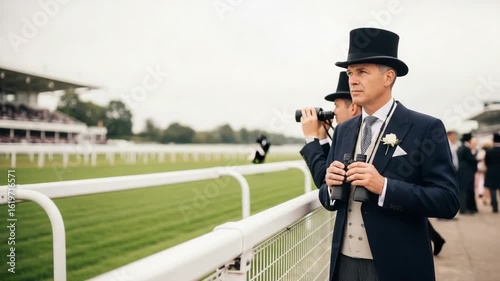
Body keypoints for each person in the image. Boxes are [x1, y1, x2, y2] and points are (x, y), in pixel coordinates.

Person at [318, 27, 459, 281]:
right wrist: (329, 185)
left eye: (362, 71)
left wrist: (384, 187)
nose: (352, 80)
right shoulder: (343, 131)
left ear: (388, 77)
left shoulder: (426, 128)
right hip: (344, 265)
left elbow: (447, 201)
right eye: (350, 72)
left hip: (398, 266)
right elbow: (328, 197)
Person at [299, 71, 361, 188]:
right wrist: (322, 137)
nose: (333, 112)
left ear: (353, 107)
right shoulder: (352, 134)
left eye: (337, 105)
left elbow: (324, 179)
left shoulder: (355, 137)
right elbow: (329, 168)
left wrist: (311, 137)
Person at [457, 133, 478, 214]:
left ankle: (465, 207)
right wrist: (476, 158)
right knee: (465, 190)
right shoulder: (466, 148)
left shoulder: (461, 147)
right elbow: (471, 159)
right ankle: (464, 208)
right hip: (466, 172)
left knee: (464, 190)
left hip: (462, 171)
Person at [484, 133, 500, 213]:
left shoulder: (489, 151)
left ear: (493, 140)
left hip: (492, 172)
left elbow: (486, 162)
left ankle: (495, 208)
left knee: (493, 190)